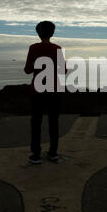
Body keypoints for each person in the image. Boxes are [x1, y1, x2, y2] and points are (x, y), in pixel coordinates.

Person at [24, 21, 66, 164]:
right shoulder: (57, 48)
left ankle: (36, 154)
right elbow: (63, 70)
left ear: (38, 33)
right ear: (52, 33)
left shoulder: (33, 48)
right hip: (54, 89)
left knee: (36, 121)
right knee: (53, 121)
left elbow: (28, 70)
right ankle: (53, 153)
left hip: (37, 89)